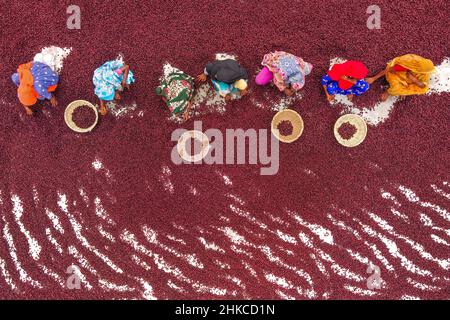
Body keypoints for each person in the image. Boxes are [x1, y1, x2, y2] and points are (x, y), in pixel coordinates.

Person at [366, 54, 436, 101]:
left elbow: (423, 86)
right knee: (395, 87)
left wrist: (415, 80)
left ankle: (400, 91)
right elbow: (388, 70)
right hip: (396, 75)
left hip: (409, 80)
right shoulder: (407, 64)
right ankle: (388, 91)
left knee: (420, 88)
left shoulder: (424, 72)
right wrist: (373, 78)